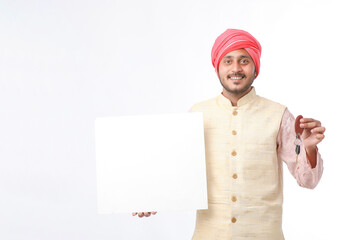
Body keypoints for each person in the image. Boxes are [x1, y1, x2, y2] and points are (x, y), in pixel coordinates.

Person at [133, 29, 325, 240]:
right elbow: (174, 170)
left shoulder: (279, 115)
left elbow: (308, 181)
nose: (236, 68)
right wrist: (149, 196)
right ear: (218, 67)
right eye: (228, 61)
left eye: (244, 61)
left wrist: (309, 148)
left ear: (255, 67)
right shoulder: (197, 114)